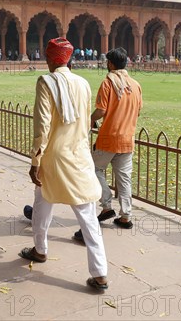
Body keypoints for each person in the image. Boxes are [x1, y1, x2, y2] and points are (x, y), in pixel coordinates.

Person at [19, 37, 108, 290]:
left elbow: (43, 126)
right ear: (67, 59)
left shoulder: (45, 81)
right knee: (88, 217)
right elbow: (85, 124)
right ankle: (100, 273)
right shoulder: (83, 83)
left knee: (42, 205)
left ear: (49, 58)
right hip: (78, 156)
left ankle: (40, 249)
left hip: (53, 157)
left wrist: (35, 159)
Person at [74, 47, 142, 242]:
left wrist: (89, 120)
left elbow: (101, 110)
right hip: (127, 139)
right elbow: (137, 111)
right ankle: (126, 216)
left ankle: (106, 206)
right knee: (124, 178)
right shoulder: (136, 85)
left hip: (109, 138)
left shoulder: (108, 83)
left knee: (95, 169)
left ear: (111, 64)